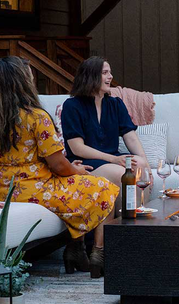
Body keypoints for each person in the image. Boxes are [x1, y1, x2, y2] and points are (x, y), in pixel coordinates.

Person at [0, 56, 116, 279]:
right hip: (35, 187)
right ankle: (98, 254)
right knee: (103, 187)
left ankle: (76, 249)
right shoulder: (37, 117)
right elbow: (58, 165)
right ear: (23, 80)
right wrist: (77, 170)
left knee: (77, 188)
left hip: (2, 188)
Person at [61, 57, 152, 208]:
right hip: (87, 161)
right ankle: (121, 225)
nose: (110, 76)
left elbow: (131, 138)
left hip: (112, 158)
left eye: (110, 72)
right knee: (119, 174)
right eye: (105, 73)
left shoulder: (115, 104)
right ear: (90, 77)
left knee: (140, 166)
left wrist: (145, 162)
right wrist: (113, 159)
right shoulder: (72, 106)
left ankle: (141, 220)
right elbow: (77, 148)